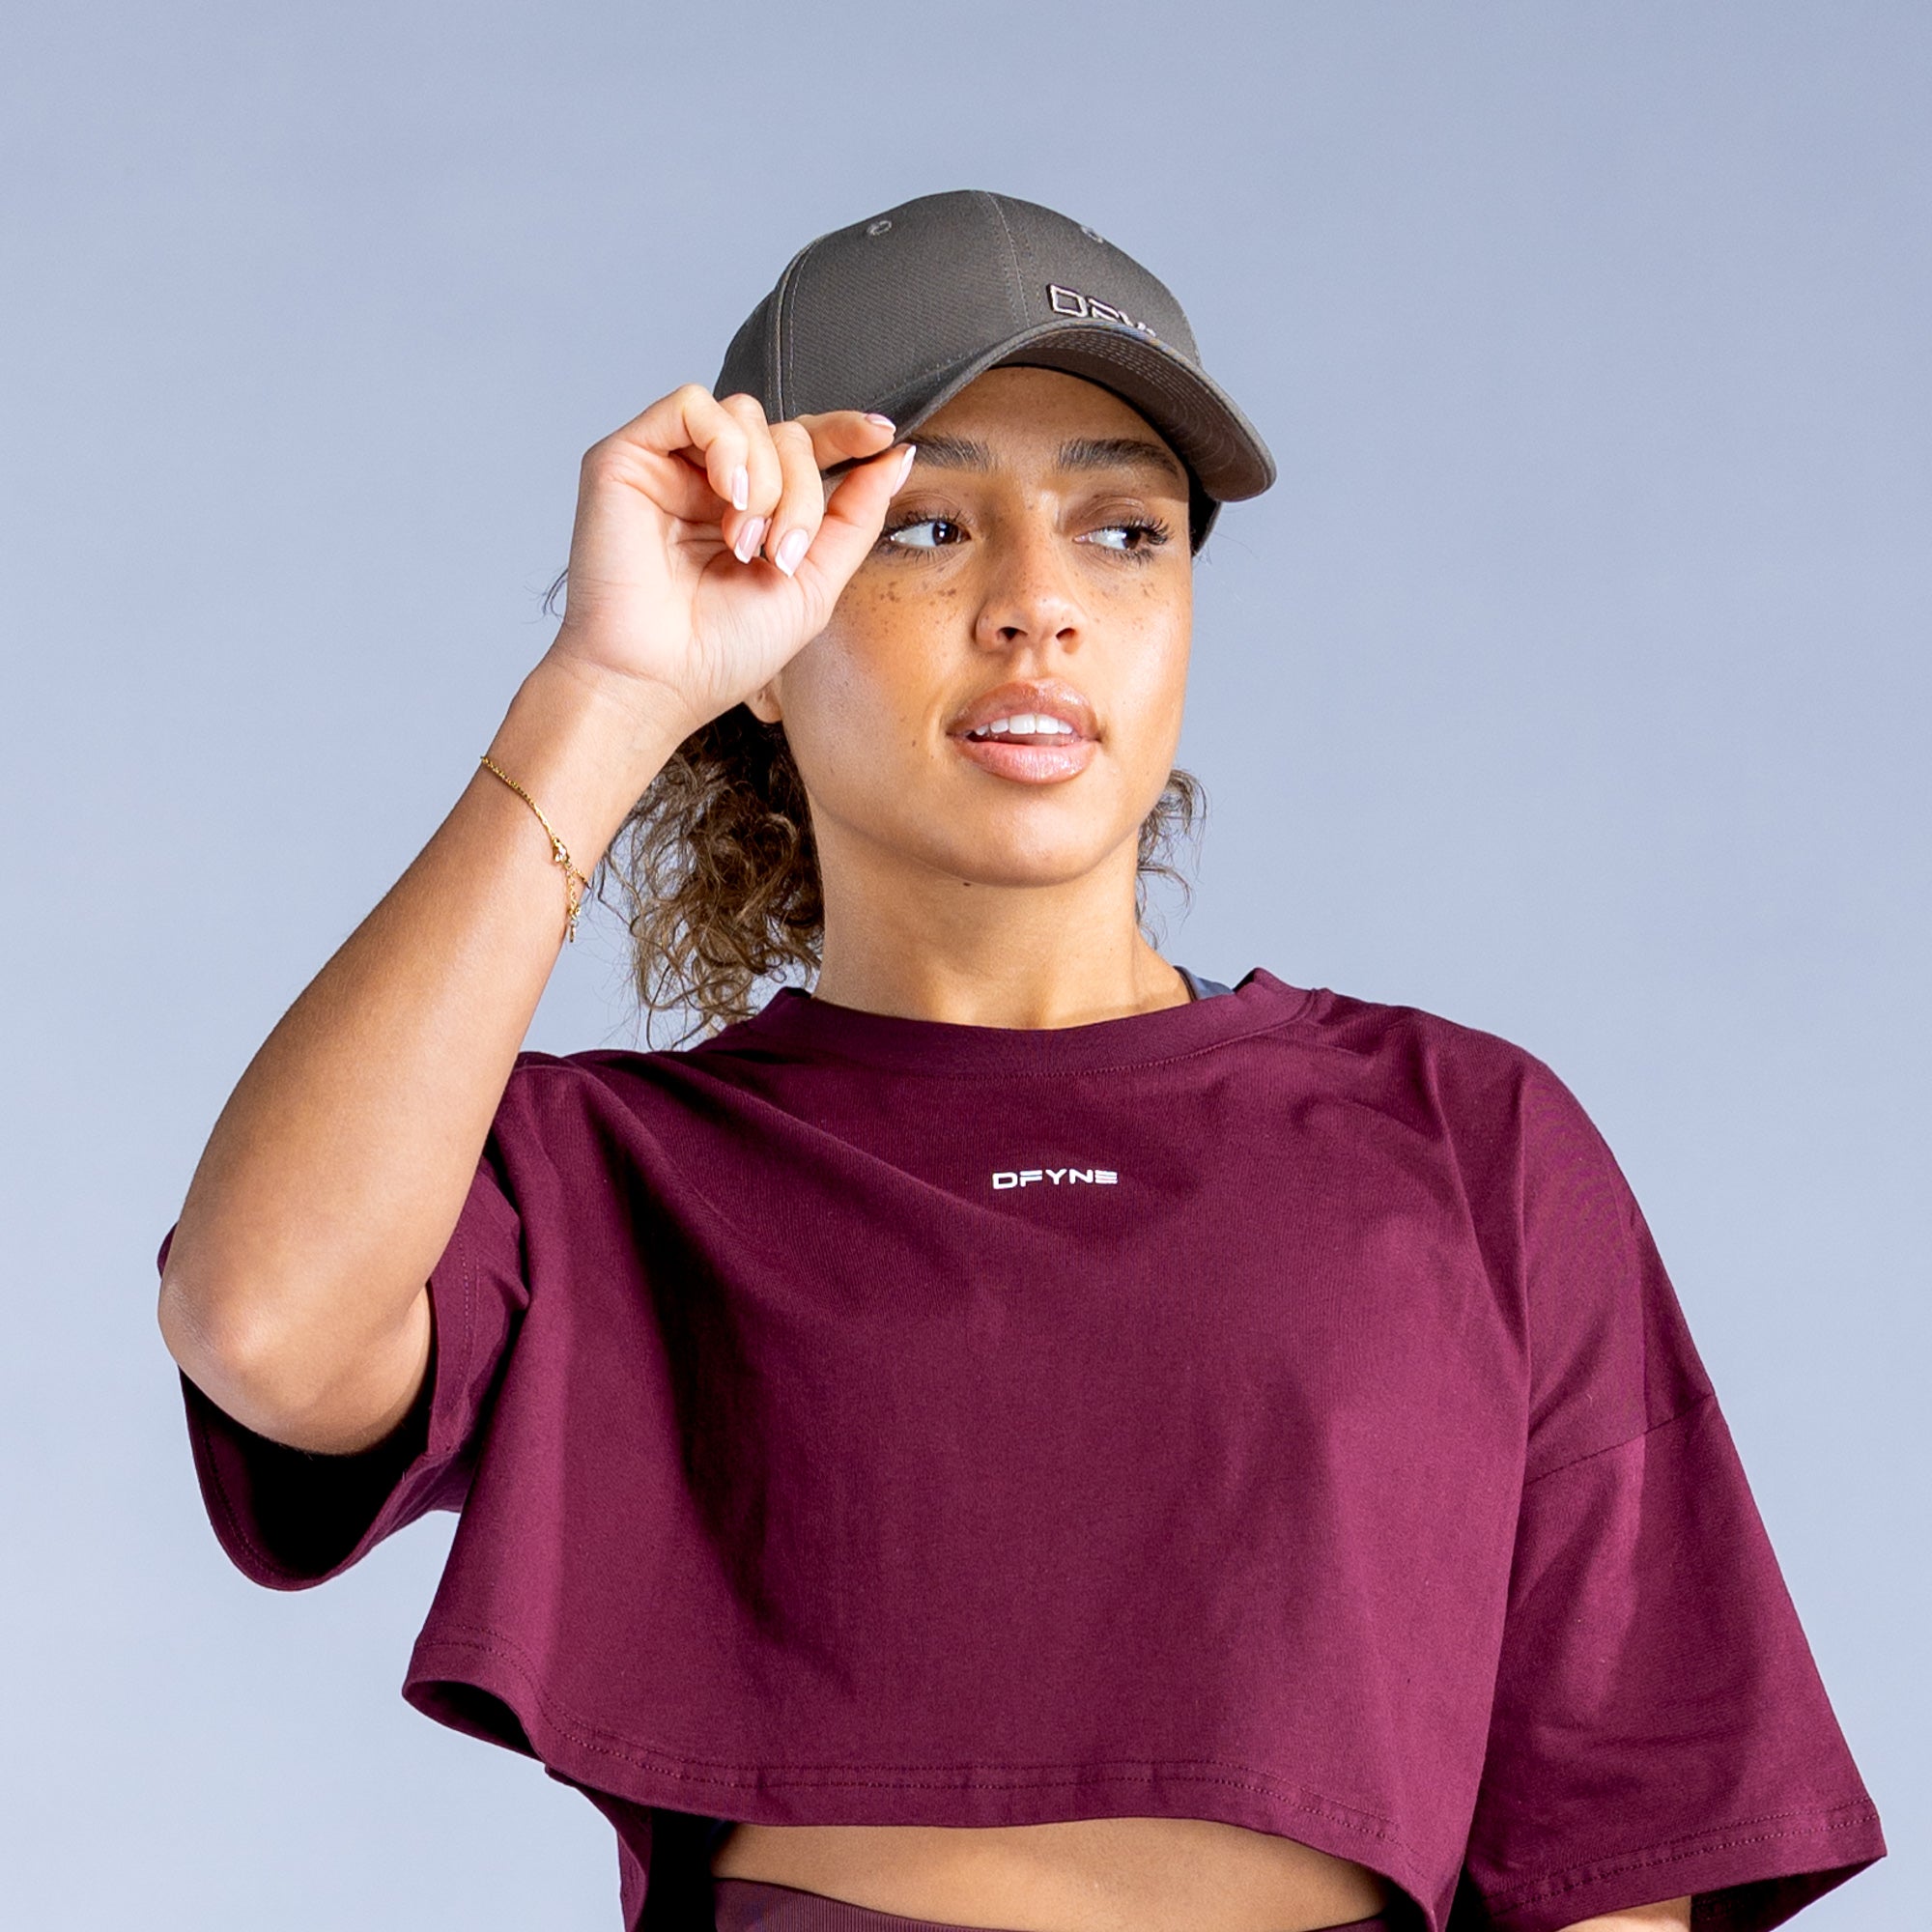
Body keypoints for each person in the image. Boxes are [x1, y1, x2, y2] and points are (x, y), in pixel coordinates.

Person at [154, 191, 1885, 1932]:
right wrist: (607, 690)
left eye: (1125, 532)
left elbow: (1623, 1845)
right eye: (924, 526)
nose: (1039, 607)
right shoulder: (609, 1168)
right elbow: (264, 1325)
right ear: (770, 618)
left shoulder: (1466, 1137)